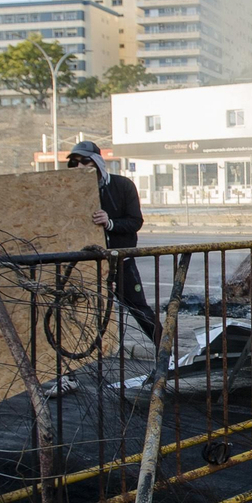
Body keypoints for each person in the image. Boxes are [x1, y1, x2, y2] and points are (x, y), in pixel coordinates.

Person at [67, 141, 162, 348]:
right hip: (88, 264)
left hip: (121, 261)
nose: (80, 168)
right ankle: (84, 368)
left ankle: (166, 353)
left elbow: (135, 221)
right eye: (75, 163)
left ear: (98, 164)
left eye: (86, 162)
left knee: (138, 308)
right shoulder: (70, 192)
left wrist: (110, 223)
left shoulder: (122, 185)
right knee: (83, 313)